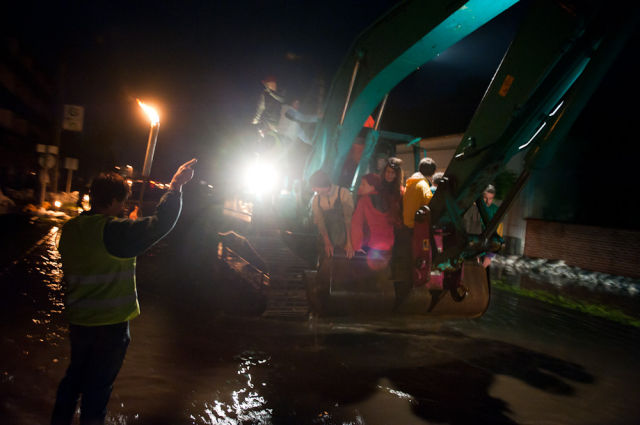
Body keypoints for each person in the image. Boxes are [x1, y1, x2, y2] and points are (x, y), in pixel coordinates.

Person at [51, 158, 197, 425]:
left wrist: (126, 224)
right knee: (97, 390)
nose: (125, 207)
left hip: (79, 322)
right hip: (109, 327)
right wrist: (175, 187)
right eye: (123, 202)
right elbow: (161, 224)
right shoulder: (114, 232)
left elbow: (101, 247)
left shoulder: (70, 229)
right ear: (115, 200)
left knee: (73, 380)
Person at [351, 173, 394, 270]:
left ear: (372, 186)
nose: (360, 187)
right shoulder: (389, 199)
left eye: (363, 184)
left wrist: (357, 245)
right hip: (390, 244)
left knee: (372, 272)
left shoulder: (364, 201)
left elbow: (356, 225)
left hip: (373, 245)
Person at [309, 169, 354, 260]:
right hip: (327, 238)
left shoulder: (343, 193)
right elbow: (320, 222)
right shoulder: (316, 200)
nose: (313, 189)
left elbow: (349, 219)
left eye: (314, 187)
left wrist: (349, 242)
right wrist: (327, 242)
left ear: (322, 184)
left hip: (344, 238)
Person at [463, 184, 503, 268]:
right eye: (485, 198)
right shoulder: (470, 208)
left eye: (491, 198)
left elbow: (498, 234)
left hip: (486, 251)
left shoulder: (496, 211)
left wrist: (489, 255)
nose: (488, 202)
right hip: (469, 249)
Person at [402, 157, 437, 228]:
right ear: (432, 173)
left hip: (406, 223)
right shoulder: (423, 185)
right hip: (415, 226)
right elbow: (430, 202)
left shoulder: (411, 182)